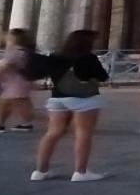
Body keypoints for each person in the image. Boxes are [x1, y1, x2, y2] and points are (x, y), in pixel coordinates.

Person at [32, 30, 109, 183]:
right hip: (84, 99)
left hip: (58, 98)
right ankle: (80, 172)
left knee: (52, 133)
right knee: (82, 133)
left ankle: (40, 171)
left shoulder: (55, 57)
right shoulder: (88, 57)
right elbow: (103, 76)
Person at [0, 29, 37, 134]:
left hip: (14, 82)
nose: (5, 37)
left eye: (8, 36)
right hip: (20, 81)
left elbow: (5, 65)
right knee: (21, 103)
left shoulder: (15, 51)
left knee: (3, 103)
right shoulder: (24, 51)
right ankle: (26, 124)